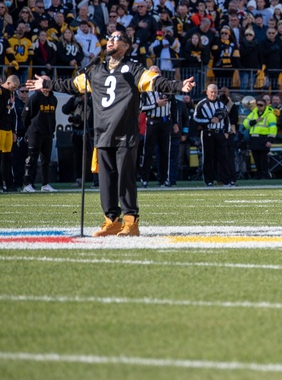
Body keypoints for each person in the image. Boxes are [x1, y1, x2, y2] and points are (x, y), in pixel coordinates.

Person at [27, 31, 195, 236]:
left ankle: (131, 221)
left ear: (126, 46)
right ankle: (111, 220)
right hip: (102, 132)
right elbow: (71, 85)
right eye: (110, 37)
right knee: (106, 180)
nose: (111, 41)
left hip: (125, 132)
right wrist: (46, 84)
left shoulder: (133, 69)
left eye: (117, 38)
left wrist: (179, 85)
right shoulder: (95, 70)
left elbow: (157, 81)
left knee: (125, 177)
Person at [139, 67, 174, 187]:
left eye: (158, 72)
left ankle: (164, 179)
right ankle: (145, 178)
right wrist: (155, 105)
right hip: (152, 122)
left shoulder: (167, 88)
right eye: (154, 73)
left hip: (165, 122)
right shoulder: (145, 90)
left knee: (164, 152)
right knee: (148, 152)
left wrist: (174, 123)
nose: (156, 74)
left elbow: (173, 106)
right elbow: (140, 108)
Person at [193, 84, 234, 186]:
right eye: (211, 92)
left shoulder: (221, 104)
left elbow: (227, 119)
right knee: (208, 157)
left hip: (219, 132)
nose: (213, 94)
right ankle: (209, 180)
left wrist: (226, 132)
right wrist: (209, 120)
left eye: (215, 92)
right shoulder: (201, 104)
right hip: (208, 132)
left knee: (223, 157)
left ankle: (226, 180)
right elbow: (196, 118)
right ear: (207, 92)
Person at [21, 78, 58, 192]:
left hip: (47, 133)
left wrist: (51, 129)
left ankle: (45, 184)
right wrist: (30, 129)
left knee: (45, 160)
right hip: (35, 133)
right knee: (31, 159)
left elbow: (52, 116)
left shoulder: (53, 98)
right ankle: (27, 184)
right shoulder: (34, 98)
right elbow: (25, 116)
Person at [243, 96, 277, 179]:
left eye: (261, 105)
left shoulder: (270, 115)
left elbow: (273, 129)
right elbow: (245, 124)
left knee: (263, 159)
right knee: (256, 158)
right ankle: (258, 175)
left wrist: (270, 140)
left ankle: (265, 175)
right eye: (257, 105)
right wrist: (255, 121)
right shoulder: (253, 113)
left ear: (265, 105)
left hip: (264, 139)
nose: (259, 106)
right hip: (254, 139)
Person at [0, 75, 18, 193]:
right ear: (8, 83)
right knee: (1, 158)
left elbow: (12, 114)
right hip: (0, 128)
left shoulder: (11, 94)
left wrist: (14, 131)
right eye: (14, 86)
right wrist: (9, 105)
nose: (15, 89)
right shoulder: (1, 92)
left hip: (8, 129)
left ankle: (9, 183)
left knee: (7, 158)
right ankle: (2, 184)